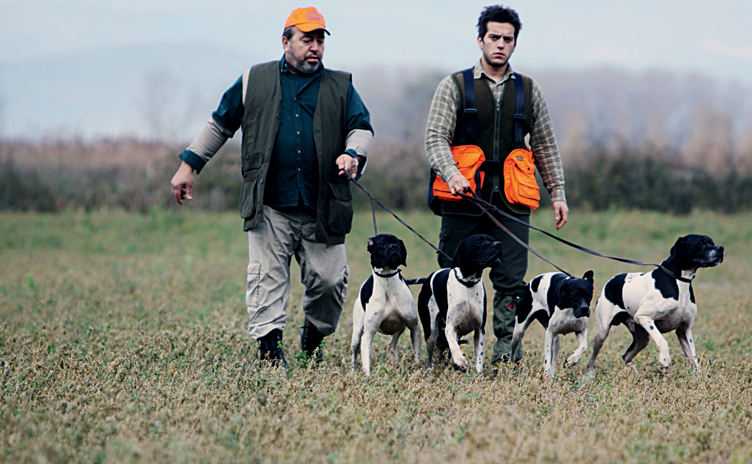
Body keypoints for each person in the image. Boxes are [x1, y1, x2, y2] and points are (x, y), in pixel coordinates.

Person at [170, 6, 374, 367]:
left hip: (323, 203)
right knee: (266, 279)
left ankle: (313, 336)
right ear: (285, 41)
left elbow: (361, 127)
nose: (315, 48)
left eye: (320, 41)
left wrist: (352, 153)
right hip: (269, 203)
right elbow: (220, 125)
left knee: (329, 282)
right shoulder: (254, 80)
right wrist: (188, 167)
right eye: (306, 40)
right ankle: (269, 352)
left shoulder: (341, 86)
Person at [424, 5, 568, 365]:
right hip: (463, 198)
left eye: (508, 39)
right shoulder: (454, 85)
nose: (500, 45)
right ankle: (446, 345)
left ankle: (506, 350)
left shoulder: (529, 90)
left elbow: (546, 146)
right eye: (494, 37)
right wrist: (452, 173)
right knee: (452, 275)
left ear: (515, 44)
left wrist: (558, 194)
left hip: (512, 201)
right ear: (480, 40)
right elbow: (434, 138)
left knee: (510, 278)